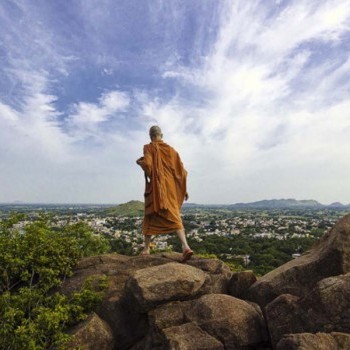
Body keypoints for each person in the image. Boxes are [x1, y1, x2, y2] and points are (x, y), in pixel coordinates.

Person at [136, 126, 193, 262]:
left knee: (150, 215)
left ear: (150, 136)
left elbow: (148, 165)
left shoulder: (148, 148)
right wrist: (183, 189)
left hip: (157, 188)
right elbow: (182, 172)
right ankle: (185, 246)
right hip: (171, 188)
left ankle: (146, 249)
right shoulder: (171, 150)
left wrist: (140, 163)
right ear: (162, 134)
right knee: (174, 215)